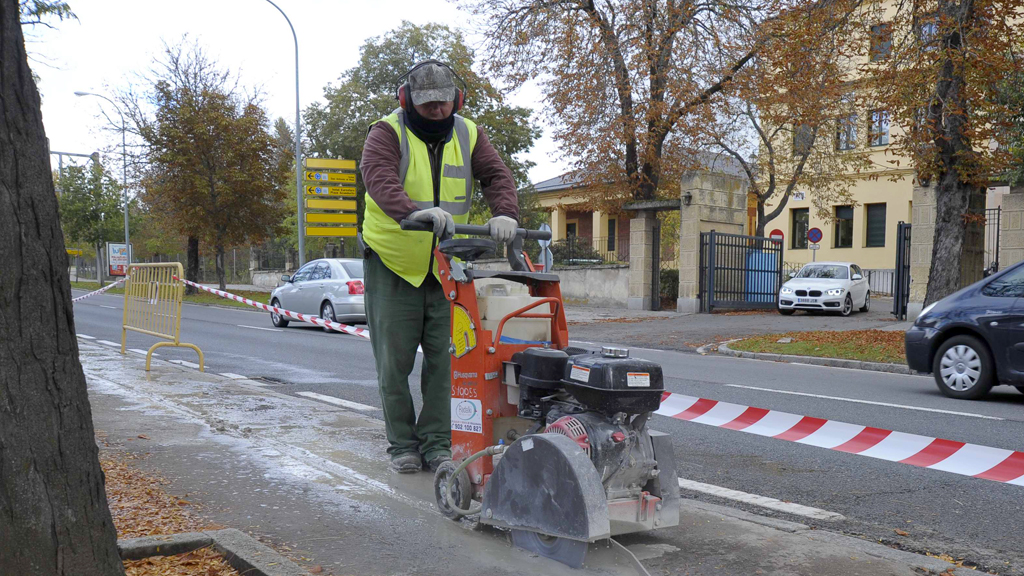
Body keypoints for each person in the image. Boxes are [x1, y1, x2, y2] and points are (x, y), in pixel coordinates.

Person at [359, 60, 520, 473]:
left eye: (444, 103)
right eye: (428, 103)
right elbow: (377, 178)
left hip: (446, 266)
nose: (437, 110)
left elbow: (497, 175)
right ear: (406, 99)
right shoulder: (386, 132)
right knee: (394, 364)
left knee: (446, 361)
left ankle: (436, 442)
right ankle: (402, 445)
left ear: (457, 99)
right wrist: (413, 211)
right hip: (394, 264)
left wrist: (505, 213)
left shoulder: (469, 133)